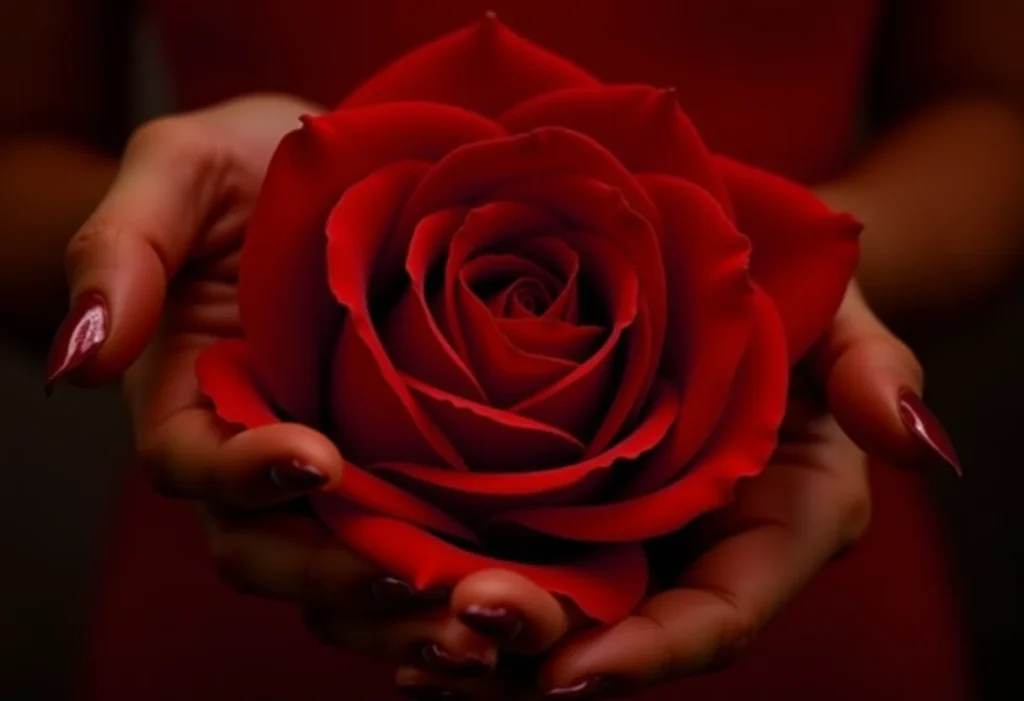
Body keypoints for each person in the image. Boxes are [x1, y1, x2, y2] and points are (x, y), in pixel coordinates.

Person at [2, 1, 1021, 699]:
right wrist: (160, 241)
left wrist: (791, 284)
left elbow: (992, 112)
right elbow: (20, 141)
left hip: (780, 499)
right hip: (247, 543)